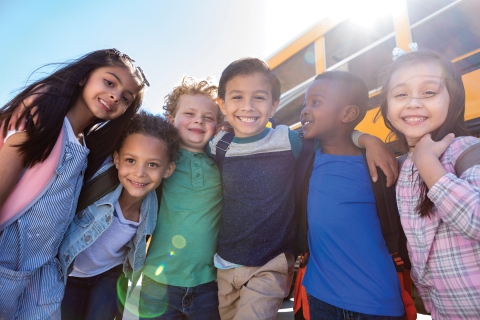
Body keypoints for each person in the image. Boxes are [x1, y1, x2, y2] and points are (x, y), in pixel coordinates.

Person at [209, 57, 399, 320]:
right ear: (223, 104)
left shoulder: (292, 143)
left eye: (259, 98)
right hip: (242, 269)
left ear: (274, 105)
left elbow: (337, 138)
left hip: (280, 267)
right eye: (237, 97)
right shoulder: (220, 145)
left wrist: (369, 139)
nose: (248, 106)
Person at [0, 48, 148, 319]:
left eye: (126, 98)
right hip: (6, 261)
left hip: (43, 271)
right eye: (109, 82)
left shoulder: (86, 147)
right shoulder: (41, 120)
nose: (116, 96)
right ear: (84, 77)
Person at [379, 48, 480, 319]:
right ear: (387, 108)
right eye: (401, 94)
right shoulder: (404, 168)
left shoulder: (467, 150)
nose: (413, 103)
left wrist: (428, 163)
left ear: (453, 99)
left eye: (429, 93)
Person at [300, 71, 405, 320]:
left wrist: (370, 141)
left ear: (348, 114)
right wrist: (367, 138)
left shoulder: (378, 166)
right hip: (320, 297)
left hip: (376, 303)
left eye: (315, 102)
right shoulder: (304, 157)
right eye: (305, 103)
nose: (304, 110)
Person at [59, 111, 177, 320]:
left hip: (109, 276)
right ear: (116, 159)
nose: (139, 172)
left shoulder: (154, 207)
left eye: (152, 164)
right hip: (69, 274)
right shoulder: (97, 182)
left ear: (168, 170)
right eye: (131, 160)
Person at [139, 76, 224, 320]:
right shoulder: (159, 161)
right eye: (189, 113)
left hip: (209, 282)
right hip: (157, 282)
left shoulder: (223, 164)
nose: (199, 119)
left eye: (208, 117)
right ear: (171, 120)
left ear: (217, 126)